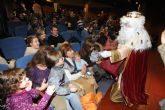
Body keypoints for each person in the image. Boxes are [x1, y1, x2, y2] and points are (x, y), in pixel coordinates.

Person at [100, 11, 152, 106]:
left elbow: (125, 50)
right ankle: (129, 89)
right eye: (125, 24)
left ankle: (125, 93)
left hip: (131, 65)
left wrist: (109, 53)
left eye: (128, 25)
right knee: (128, 78)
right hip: (132, 64)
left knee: (126, 80)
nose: (124, 26)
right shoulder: (137, 33)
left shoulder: (137, 36)